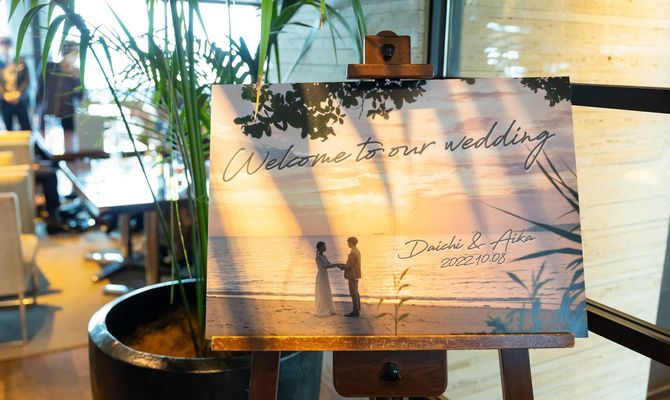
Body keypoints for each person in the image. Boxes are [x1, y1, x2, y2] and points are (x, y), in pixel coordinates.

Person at [37, 41, 83, 151]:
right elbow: (40, 89)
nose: (75, 56)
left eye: (77, 53)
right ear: (65, 52)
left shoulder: (76, 72)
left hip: (67, 112)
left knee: (69, 145)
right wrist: (36, 109)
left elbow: (79, 96)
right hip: (47, 111)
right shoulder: (49, 67)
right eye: (73, 52)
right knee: (46, 146)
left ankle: (69, 159)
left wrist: (76, 78)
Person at [0, 37, 31, 131]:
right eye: (2, 44)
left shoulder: (20, 60)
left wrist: (18, 95)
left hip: (20, 99)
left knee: (26, 126)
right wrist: (6, 96)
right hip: (5, 101)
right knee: (8, 128)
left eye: (7, 44)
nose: (5, 47)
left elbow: (26, 80)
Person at [338, 236, 362, 317]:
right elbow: (352, 264)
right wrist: (344, 265)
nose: (347, 244)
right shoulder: (357, 251)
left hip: (352, 275)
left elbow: (349, 265)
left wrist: (342, 266)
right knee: (356, 292)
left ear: (352, 243)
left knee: (353, 293)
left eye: (348, 242)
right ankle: (357, 309)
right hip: (356, 274)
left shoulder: (353, 253)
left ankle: (355, 311)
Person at [314, 241, 336, 316]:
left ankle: (329, 309)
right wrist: (335, 265)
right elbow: (325, 266)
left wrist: (336, 265)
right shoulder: (318, 257)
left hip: (325, 275)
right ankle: (322, 309)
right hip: (321, 276)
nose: (325, 248)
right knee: (322, 292)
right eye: (324, 246)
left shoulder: (324, 256)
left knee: (327, 291)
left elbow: (329, 264)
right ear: (320, 248)